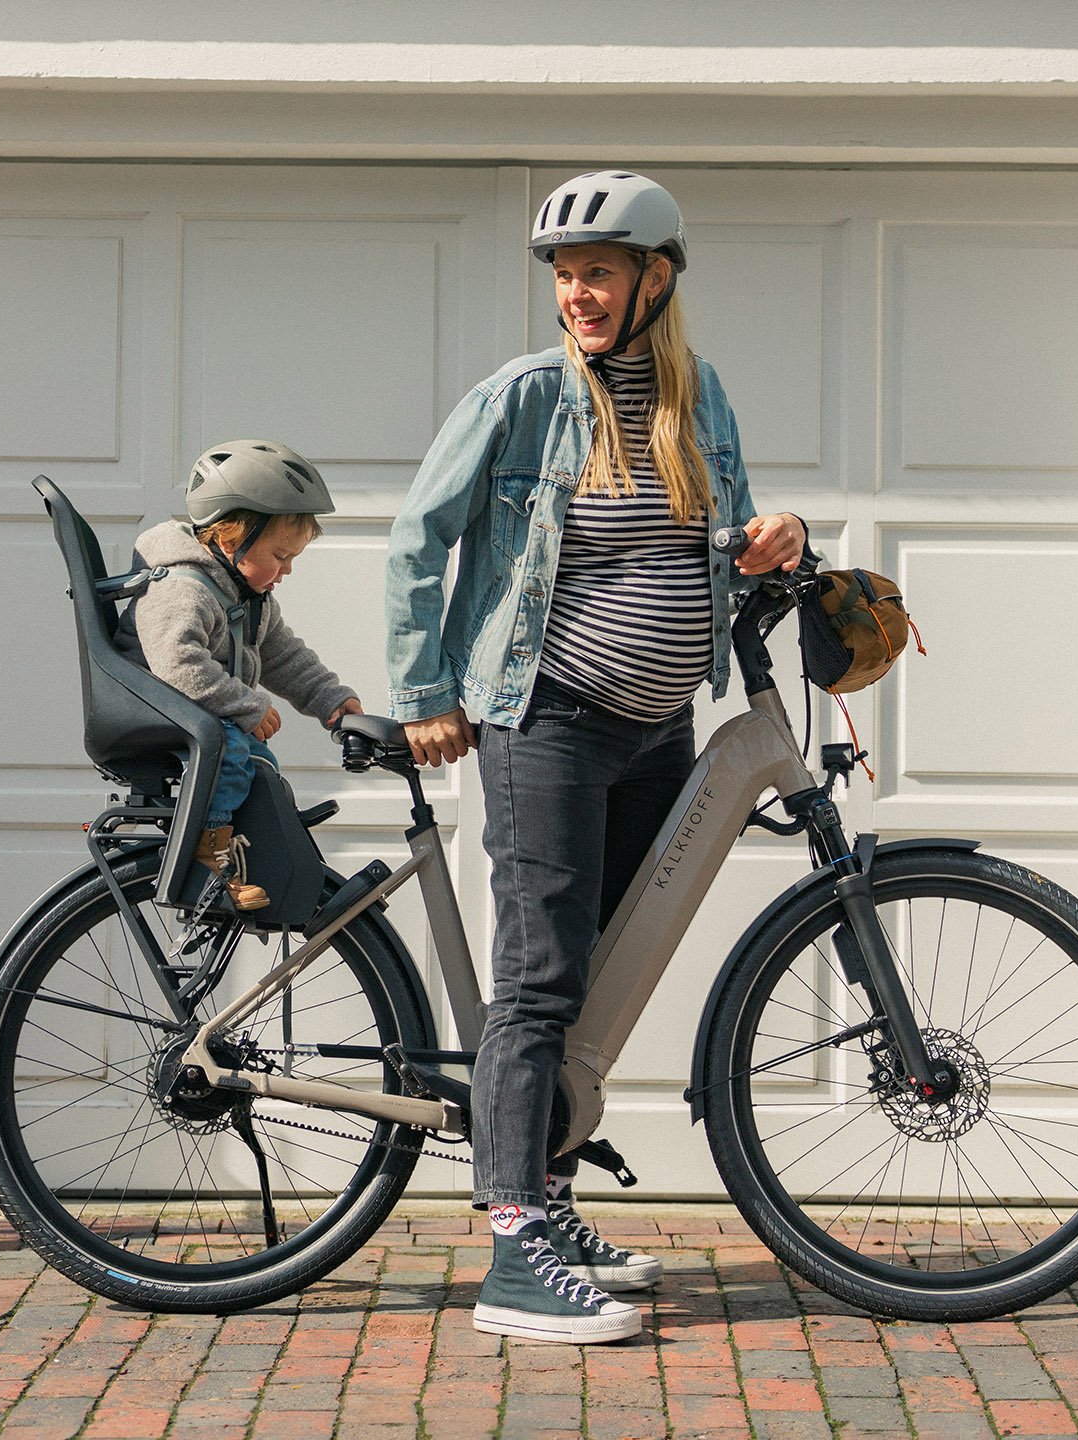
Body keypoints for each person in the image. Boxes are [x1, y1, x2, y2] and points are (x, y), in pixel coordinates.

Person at [385, 172, 807, 1344]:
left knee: (597, 974)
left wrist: (781, 537)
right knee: (541, 974)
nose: (576, 291)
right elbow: (422, 535)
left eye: (599, 272)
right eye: (565, 275)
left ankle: (553, 1201)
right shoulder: (522, 399)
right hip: (547, 721)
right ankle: (514, 1245)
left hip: (658, 728)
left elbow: (721, 533)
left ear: (656, 279)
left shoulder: (698, 396)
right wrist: (424, 689)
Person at [116, 440, 362, 910]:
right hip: (151, 707)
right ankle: (207, 862)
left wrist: (329, 697)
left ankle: (259, 847)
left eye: (293, 558)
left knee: (256, 761)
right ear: (230, 539)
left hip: (189, 710)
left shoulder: (244, 594)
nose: (287, 569)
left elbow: (282, 653)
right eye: (280, 555)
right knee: (230, 748)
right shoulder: (183, 587)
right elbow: (176, 664)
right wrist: (247, 705)